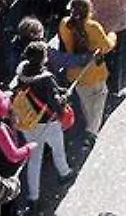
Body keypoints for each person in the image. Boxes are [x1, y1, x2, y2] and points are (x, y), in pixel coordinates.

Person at [9, 41, 74, 200]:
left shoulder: (22, 74)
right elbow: (55, 103)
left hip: (28, 122)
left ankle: (33, 196)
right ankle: (64, 173)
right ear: (42, 58)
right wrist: (63, 100)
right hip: (47, 122)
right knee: (57, 149)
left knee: (34, 160)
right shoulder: (45, 78)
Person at [55, 0, 117, 136]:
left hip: (75, 71)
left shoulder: (64, 24)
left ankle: (90, 122)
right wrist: (112, 35)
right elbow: (106, 46)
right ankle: (92, 131)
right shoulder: (93, 27)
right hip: (94, 70)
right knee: (99, 98)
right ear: (89, 11)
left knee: (86, 101)